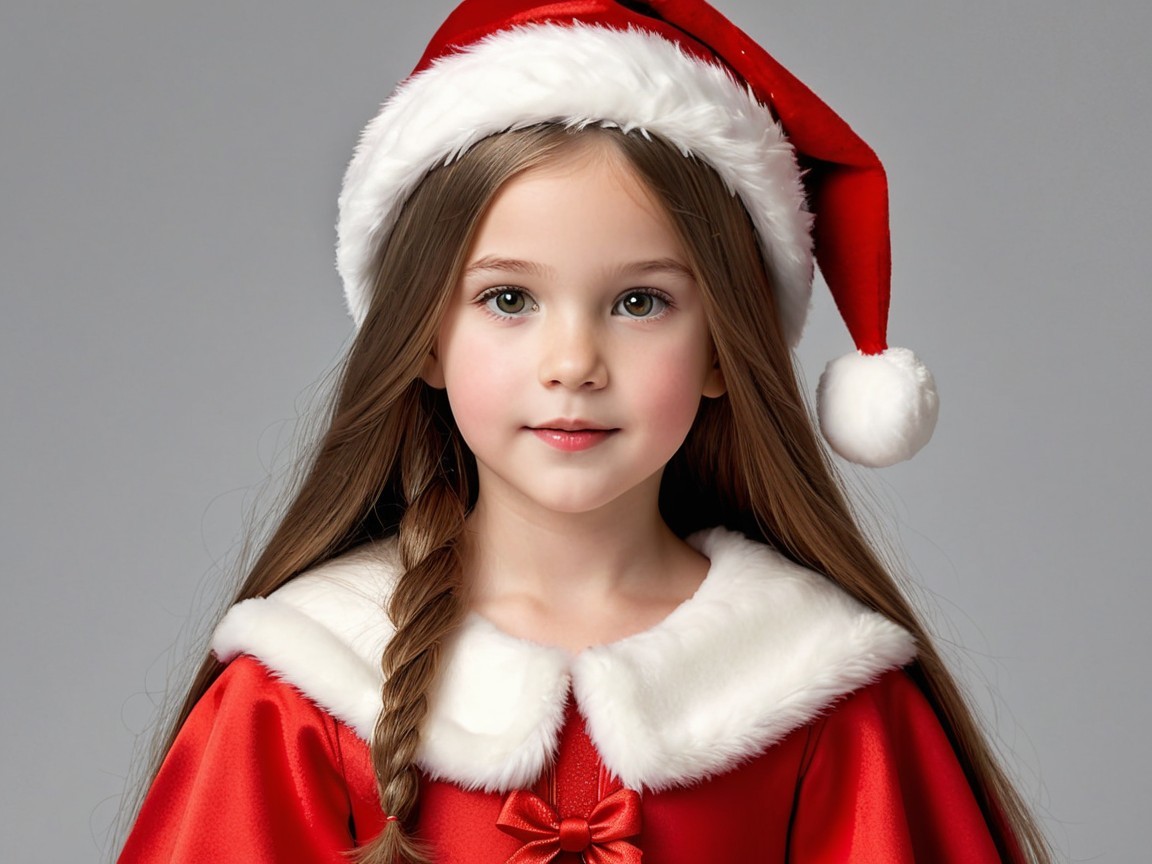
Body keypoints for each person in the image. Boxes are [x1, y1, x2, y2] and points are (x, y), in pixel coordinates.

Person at [118, 1, 1051, 862]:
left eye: (640, 301)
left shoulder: (825, 698)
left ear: (728, 347)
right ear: (425, 339)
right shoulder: (304, 693)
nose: (573, 361)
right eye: (508, 298)